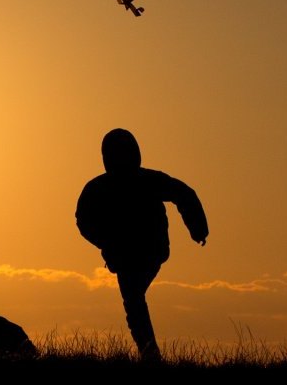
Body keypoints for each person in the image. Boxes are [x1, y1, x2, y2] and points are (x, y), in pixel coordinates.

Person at [75, 128, 209, 362]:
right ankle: (150, 353)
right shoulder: (100, 187)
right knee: (134, 299)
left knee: (133, 298)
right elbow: (83, 219)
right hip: (128, 253)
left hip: (148, 250)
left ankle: (150, 354)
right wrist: (106, 242)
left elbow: (184, 194)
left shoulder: (145, 181)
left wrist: (197, 229)